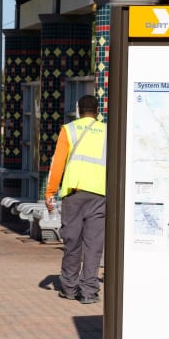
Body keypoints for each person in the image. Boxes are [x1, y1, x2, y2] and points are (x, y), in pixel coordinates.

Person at [45, 95, 107, 304]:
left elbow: (57, 164)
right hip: (100, 195)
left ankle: (69, 288)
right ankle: (89, 291)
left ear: (79, 109)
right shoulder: (108, 132)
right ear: (97, 112)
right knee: (94, 245)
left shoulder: (69, 129)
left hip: (75, 194)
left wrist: (50, 192)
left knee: (72, 242)